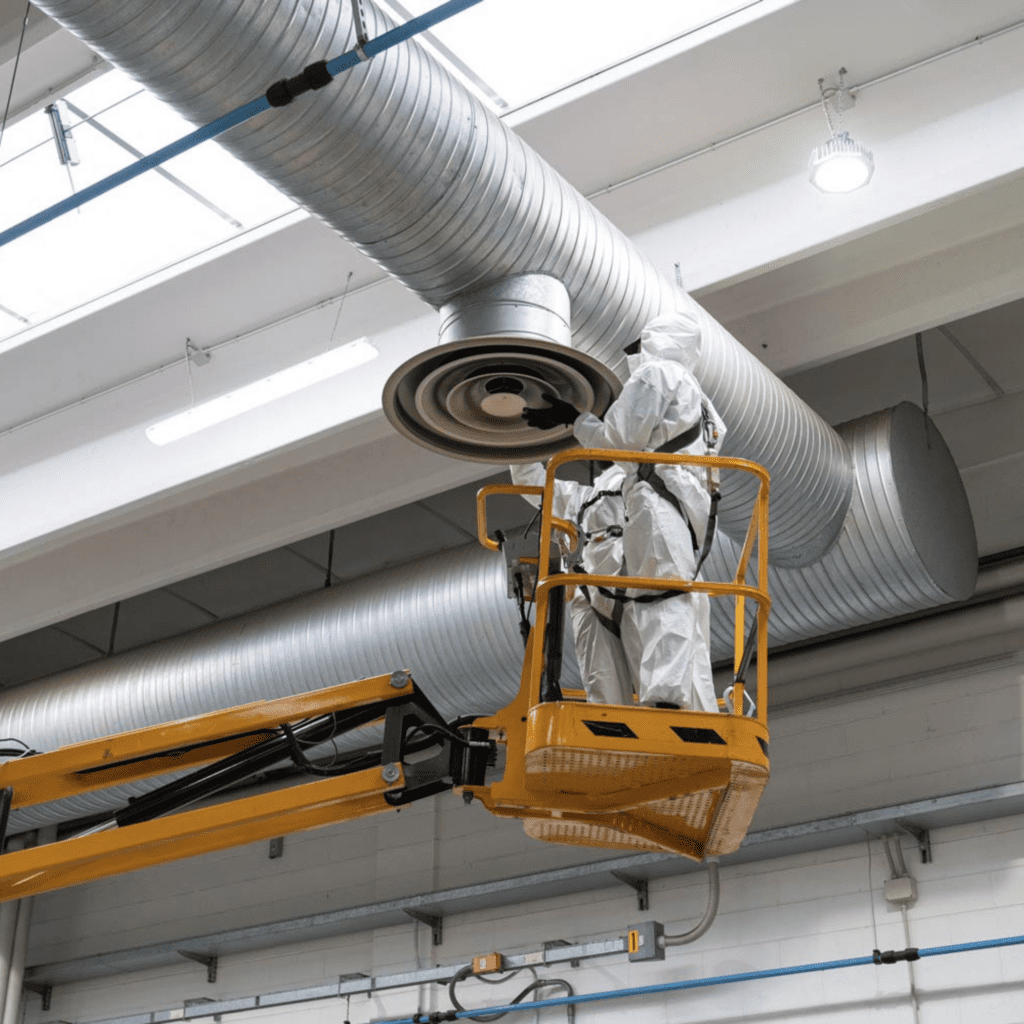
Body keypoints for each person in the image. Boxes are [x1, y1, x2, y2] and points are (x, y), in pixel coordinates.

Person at [520, 310, 726, 712]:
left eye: (639, 347)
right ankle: (654, 707)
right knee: (659, 600)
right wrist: (520, 440)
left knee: (665, 594)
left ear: (656, 341)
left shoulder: (658, 373)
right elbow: (538, 485)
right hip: (664, 513)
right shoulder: (704, 406)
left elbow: (619, 438)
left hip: (658, 498)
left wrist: (575, 420)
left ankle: (667, 700)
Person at [509, 460, 635, 705]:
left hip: (645, 590)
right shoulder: (577, 499)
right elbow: (528, 478)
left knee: (662, 692)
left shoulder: (649, 476)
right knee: (606, 701)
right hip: (590, 599)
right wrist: (525, 433)